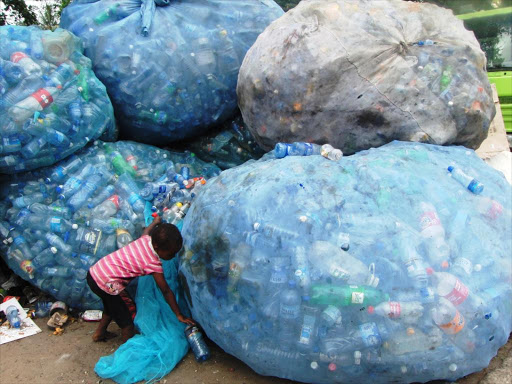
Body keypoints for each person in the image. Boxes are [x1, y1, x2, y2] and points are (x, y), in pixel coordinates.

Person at [86, 216, 195, 342]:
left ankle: (99, 333)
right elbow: (165, 290)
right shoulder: (153, 263)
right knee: (128, 316)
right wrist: (179, 314)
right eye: (170, 254)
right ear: (157, 247)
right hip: (108, 283)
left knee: (112, 305)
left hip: (95, 273)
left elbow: (146, 231)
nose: (172, 256)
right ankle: (128, 352)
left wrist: (155, 222)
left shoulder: (145, 240)